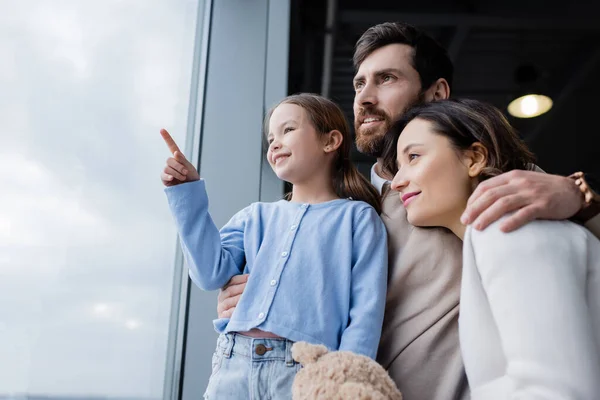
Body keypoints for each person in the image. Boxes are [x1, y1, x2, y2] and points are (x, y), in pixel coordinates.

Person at [217, 22, 600, 399]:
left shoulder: (488, 186)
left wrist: (580, 197)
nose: (365, 97)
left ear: (437, 94)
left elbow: (576, 259)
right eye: (359, 83)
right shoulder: (343, 214)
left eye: (385, 79)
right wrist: (251, 300)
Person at [160, 93, 388, 399]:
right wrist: (187, 194)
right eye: (271, 137)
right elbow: (209, 273)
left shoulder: (358, 218)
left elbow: (365, 313)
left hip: (307, 371)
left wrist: (346, 381)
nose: (275, 143)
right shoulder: (254, 216)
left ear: (330, 141)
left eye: (288, 130)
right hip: (233, 363)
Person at [381, 97, 600, 398]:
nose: (397, 182)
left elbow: (556, 392)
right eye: (397, 166)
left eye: (414, 157)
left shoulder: (506, 228)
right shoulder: (490, 235)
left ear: (474, 159)